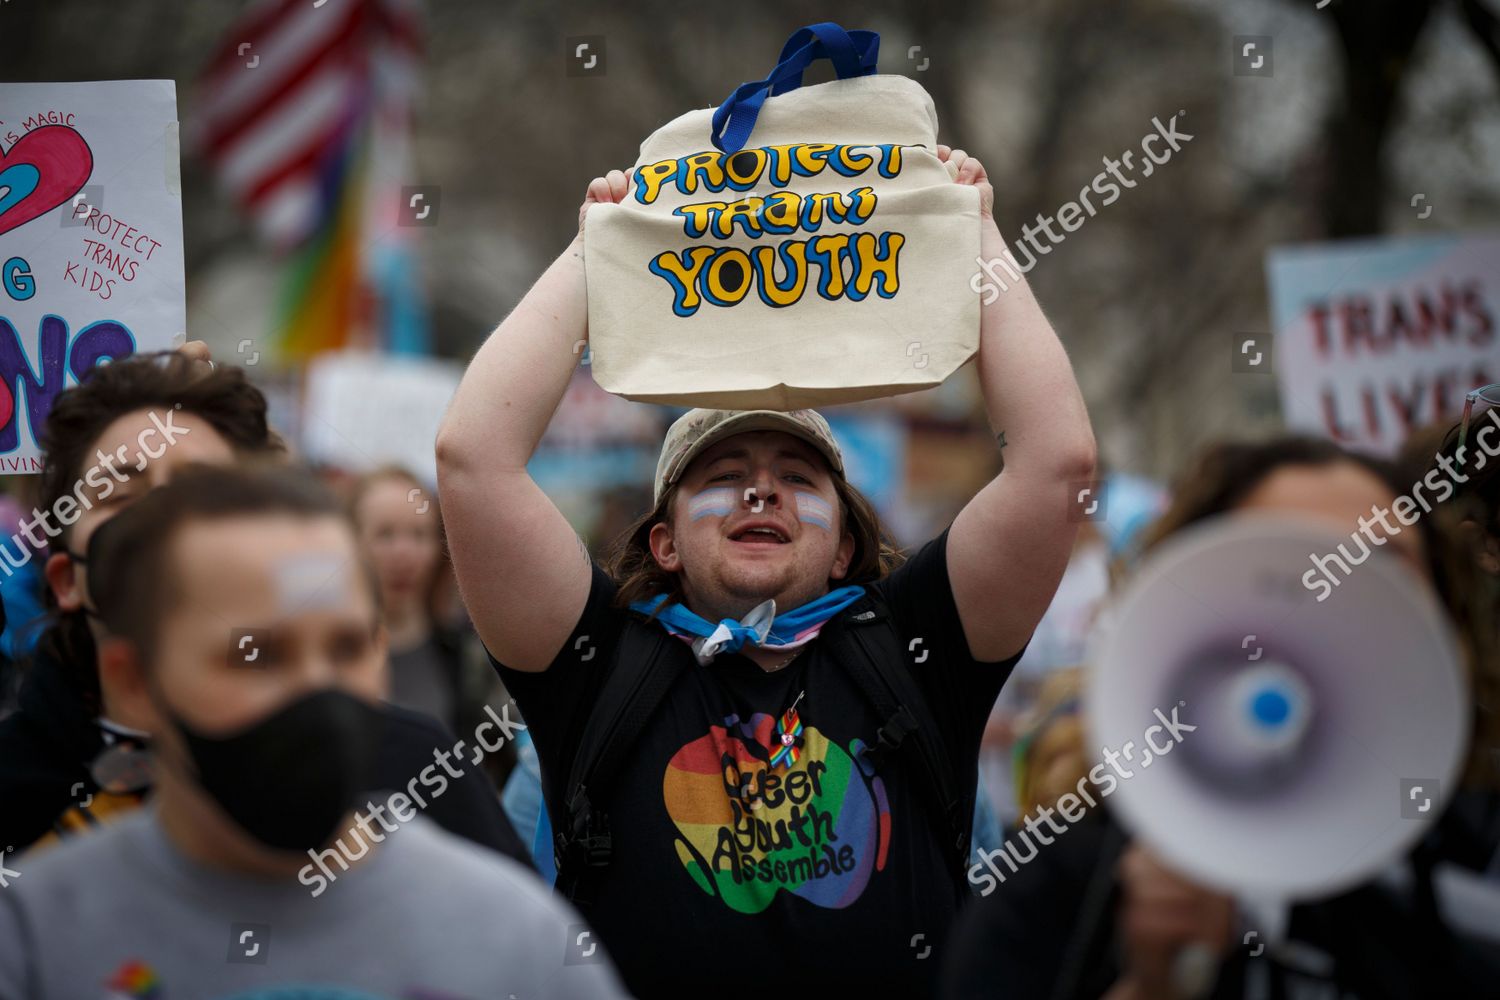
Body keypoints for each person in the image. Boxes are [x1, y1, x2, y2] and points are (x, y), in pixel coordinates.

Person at [437, 147, 1097, 995]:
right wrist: (594, 256)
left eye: (797, 477)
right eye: (721, 476)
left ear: (847, 545)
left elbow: (1056, 464)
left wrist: (974, 237)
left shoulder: (917, 649)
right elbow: (472, 459)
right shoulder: (598, 665)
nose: (760, 488)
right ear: (664, 543)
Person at [0, 464, 624, 999]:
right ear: (134, 680)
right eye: (254, 655)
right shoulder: (32, 939)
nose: (313, 686)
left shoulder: (515, 934)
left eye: (347, 646)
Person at [940, 436, 1500, 999]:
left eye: (1383, 568)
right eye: (1288, 570)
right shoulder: (1067, 895)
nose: (1340, 596)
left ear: (1451, 619)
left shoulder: (1481, 859)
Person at [0, 351, 527, 865]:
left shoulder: (410, 763)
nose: (164, 522)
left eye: (203, 491)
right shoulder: (14, 791)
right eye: (120, 496)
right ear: (67, 578)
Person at [349, 465, 504, 748]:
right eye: (385, 534)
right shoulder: (327, 652)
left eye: (419, 535)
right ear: (352, 542)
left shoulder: (467, 653)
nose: (403, 554)